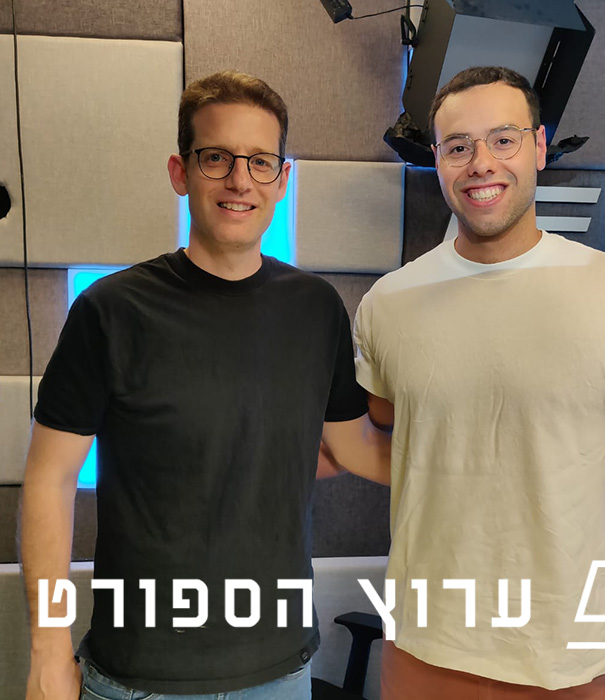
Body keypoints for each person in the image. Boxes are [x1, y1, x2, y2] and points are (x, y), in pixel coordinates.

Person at [20, 70, 390, 700]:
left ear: (282, 179)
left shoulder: (317, 308)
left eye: (260, 161)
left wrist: (473, 466)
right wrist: (49, 649)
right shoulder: (111, 310)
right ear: (180, 171)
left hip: (281, 669)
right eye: (216, 157)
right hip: (140, 674)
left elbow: (354, 447)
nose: (240, 180)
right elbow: (50, 480)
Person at [353, 66, 605, 699]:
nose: (481, 163)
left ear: (539, 146)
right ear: (438, 161)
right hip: (421, 650)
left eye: (503, 139)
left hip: (566, 661)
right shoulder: (387, 304)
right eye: (459, 146)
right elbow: (388, 446)